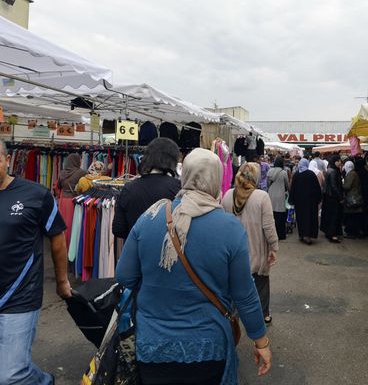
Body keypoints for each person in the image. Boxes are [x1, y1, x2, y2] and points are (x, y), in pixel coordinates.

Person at [115, 148, 272, 385]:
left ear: (184, 175)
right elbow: (245, 294)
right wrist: (261, 342)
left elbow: (124, 277)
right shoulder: (229, 229)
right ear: (217, 179)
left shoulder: (149, 218)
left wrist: (160, 285)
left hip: (153, 345)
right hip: (207, 348)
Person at [0, 139, 71, 384]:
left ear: (7, 160)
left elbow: (57, 237)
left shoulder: (35, 194)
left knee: (10, 375)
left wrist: (62, 281)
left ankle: (43, 380)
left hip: (20, 295)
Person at [223, 163, 279, 325]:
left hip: (233, 251)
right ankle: (262, 315)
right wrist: (274, 247)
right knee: (261, 284)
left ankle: (232, 317)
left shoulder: (228, 195)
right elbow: (269, 227)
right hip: (257, 251)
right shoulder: (261, 196)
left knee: (234, 285)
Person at [112, 138, 181, 240]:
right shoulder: (179, 188)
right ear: (173, 160)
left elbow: (118, 230)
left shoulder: (129, 188)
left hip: (137, 251)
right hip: (168, 252)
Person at [289, 158, 322, 245]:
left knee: (301, 218)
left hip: (299, 202)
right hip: (310, 202)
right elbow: (317, 188)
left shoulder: (296, 174)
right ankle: (308, 236)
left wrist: (291, 200)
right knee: (310, 218)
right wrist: (319, 199)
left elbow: (292, 189)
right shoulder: (311, 174)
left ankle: (302, 235)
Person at [320, 154, 344, 243]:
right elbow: (334, 186)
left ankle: (329, 232)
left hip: (328, 196)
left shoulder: (329, 169)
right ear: (335, 161)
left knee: (329, 215)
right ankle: (333, 235)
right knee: (334, 216)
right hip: (332, 197)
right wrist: (340, 197)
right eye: (339, 161)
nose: (340, 163)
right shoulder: (333, 171)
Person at [267, 157, 289, 240]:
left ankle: (270, 235)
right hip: (280, 195)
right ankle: (280, 235)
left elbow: (268, 184)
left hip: (271, 195)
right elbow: (287, 185)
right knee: (280, 216)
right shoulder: (284, 172)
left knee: (271, 216)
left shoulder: (270, 171)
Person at [342, 160, 364, 239]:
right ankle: (355, 232)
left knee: (351, 216)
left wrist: (342, 184)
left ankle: (351, 232)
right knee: (354, 216)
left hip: (352, 198)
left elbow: (347, 186)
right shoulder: (353, 173)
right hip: (355, 196)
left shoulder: (351, 174)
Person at [354, 157, 368, 237]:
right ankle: (364, 230)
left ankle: (359, 230)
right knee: (365, 213)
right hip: (364, 196)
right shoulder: (364, 172)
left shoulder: (355, 172)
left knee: (358, 214)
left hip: (357, 196)